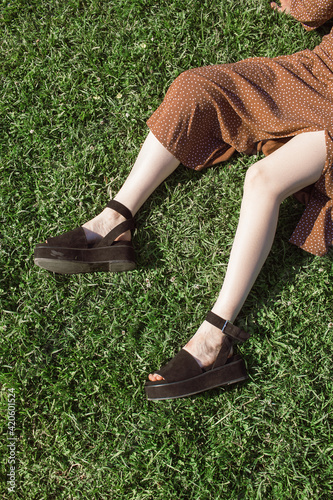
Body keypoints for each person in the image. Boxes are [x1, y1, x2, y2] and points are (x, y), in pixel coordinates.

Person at [34, 0, 333, 400]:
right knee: (197, 88)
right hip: (319, 71)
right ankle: (114, 221)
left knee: (263, 180)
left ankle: (216, 338)